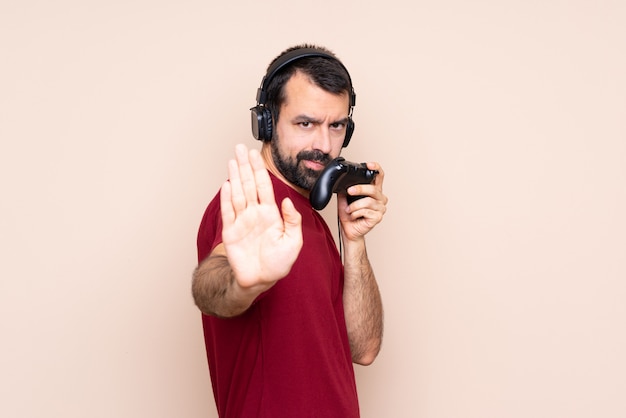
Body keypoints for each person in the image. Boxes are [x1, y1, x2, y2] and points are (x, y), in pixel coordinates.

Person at [192, 44, 388, 418]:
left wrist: (354, 240)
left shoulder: (311, 218)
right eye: (305, 123)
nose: (323, 145)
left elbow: (363, 348)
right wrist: (244, 282)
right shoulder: (248, 206)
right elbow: (212, 288)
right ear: (265, 122)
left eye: (336, 126)